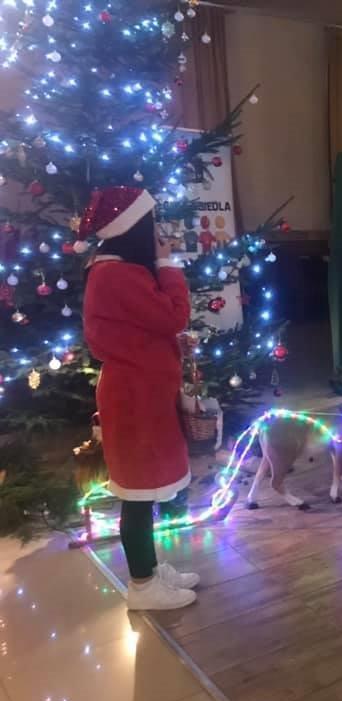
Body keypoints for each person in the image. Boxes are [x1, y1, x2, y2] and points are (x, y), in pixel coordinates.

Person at [83, 187, 199, 611]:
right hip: (135, 397)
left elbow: (143, 328)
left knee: (144, 487)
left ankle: (148, 568)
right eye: (152, 225)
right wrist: (168, 265)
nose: (158, 234)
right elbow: (174, 315)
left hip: (141, 392)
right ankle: (142, 586)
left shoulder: (115, 272)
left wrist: (167, 346)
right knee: (137, 492)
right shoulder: (117, 275)